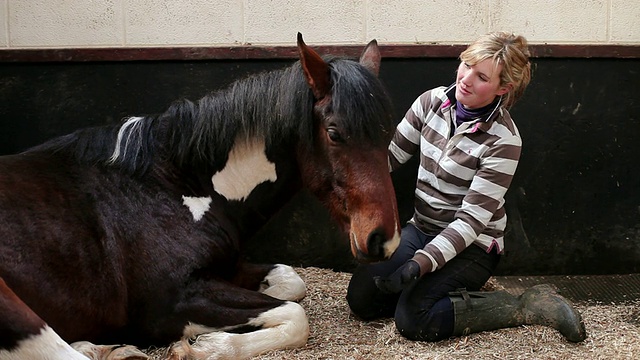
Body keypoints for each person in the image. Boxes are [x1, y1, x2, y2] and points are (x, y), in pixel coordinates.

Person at [346, 31, 586, 343]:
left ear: (503, 88)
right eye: (466, 65)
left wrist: (420, 263)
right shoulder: (430, 103)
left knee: (414, 319)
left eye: (482, 76)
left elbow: (471, 222)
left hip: (474, 246)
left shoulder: (504, 140)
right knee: (362, 300)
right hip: (422, 228)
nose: (466, 79)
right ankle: (441, 290)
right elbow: (388, 158)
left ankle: (524, 305)